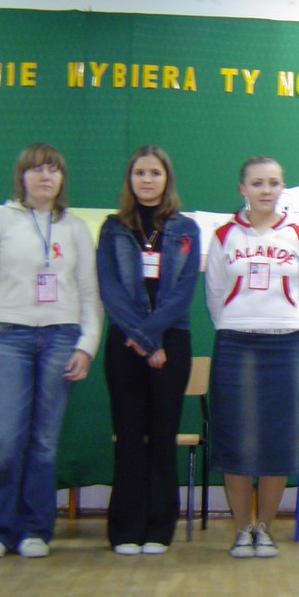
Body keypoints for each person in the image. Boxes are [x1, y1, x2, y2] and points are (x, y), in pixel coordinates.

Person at [0, 143, 103, 559]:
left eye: (53, 170)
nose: (45, 176)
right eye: (37, 169)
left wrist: (87, 346)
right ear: (21, 176)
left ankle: (34, 530)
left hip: (61, 338)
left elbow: (89, 292)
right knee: (5, 440)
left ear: (62, 178)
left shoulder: (75, 228)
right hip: (9, 338)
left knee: (44, 443)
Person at [205, 156, 299, 558]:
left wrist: (293, 327)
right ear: (243, 189)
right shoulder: (224, 235)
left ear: (282, 188)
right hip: (235, 344)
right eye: (257, 183)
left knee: (278, 438)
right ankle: (242, 529)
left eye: (273, 182)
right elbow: (215, 294)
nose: (266, 190)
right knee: (235, 436)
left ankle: (265, 530)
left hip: (284, 346)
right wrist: (238, 322)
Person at [97, 145, 200, 555]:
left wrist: (151, 337)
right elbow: (109, 288)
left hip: (170, 340)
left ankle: (159, 529)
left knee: (162, 436)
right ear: (130, 178)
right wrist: (142, 338)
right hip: (125, 340)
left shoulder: (186, 229)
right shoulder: (112, 228)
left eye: (155, 172)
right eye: (139, 172)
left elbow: (182, 293)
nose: (147, 179)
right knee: (128, 436)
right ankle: (125, 529)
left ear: (166, 178)